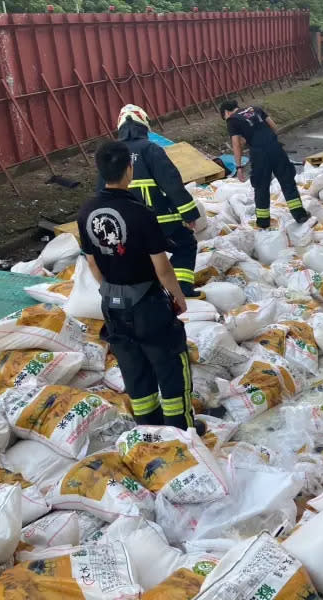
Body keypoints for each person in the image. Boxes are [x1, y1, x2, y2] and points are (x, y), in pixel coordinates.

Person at [79, 141, 200, 431]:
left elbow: (93, 264)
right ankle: (181, 431)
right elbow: (162, 267)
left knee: (135, 372)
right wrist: (178, 296)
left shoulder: (86, 212)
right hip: (147, 304)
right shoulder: (140, 213)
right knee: (171, 367)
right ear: (129, 169)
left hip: (112, 306)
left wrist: (113, 289)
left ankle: (149, 429)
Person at [105, 105, 203, 299]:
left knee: (138, 256)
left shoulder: (112, 154)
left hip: (123, 225)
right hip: (159, 220)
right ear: (144, 125)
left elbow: (102, 191)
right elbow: (172, 184)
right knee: (186, 245)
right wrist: (189, 214)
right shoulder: (150, 149)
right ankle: (181, 289)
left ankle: (149, 292)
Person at [220, 100, 310, 229]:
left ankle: (263, 222)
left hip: (259, 155)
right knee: (287, 182)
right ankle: (300, 215)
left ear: (226, 112)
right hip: (275, 149)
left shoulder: (232, 120)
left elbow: (236, 144)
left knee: (261, 187)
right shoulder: (255, 109)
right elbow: (274, 127)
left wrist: (239, 166)